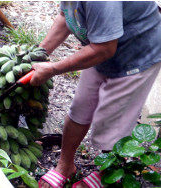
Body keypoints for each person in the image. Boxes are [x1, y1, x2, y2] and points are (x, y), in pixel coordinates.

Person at [31, 2, 160, 188]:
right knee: (80, 106)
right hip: (101, 49)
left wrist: (52, 69)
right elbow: (65, 16)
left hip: (135, 57)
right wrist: (38, 55)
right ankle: (65, 166)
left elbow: (105, 48)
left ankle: (107, 174)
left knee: (113, 123)